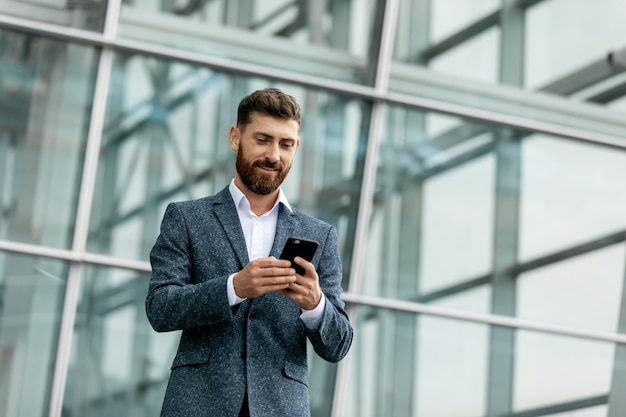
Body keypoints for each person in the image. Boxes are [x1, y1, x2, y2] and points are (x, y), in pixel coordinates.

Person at [146, 88, 354, 417]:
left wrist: (315, 304)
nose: (274, 154)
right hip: (198, 405)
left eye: (286, 144)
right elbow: (160, 308)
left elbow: (338, 344)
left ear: (296, 148)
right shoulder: (186, 218)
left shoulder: (320, 236)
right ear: (235, 137)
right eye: (262, 139)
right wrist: (234, 287)